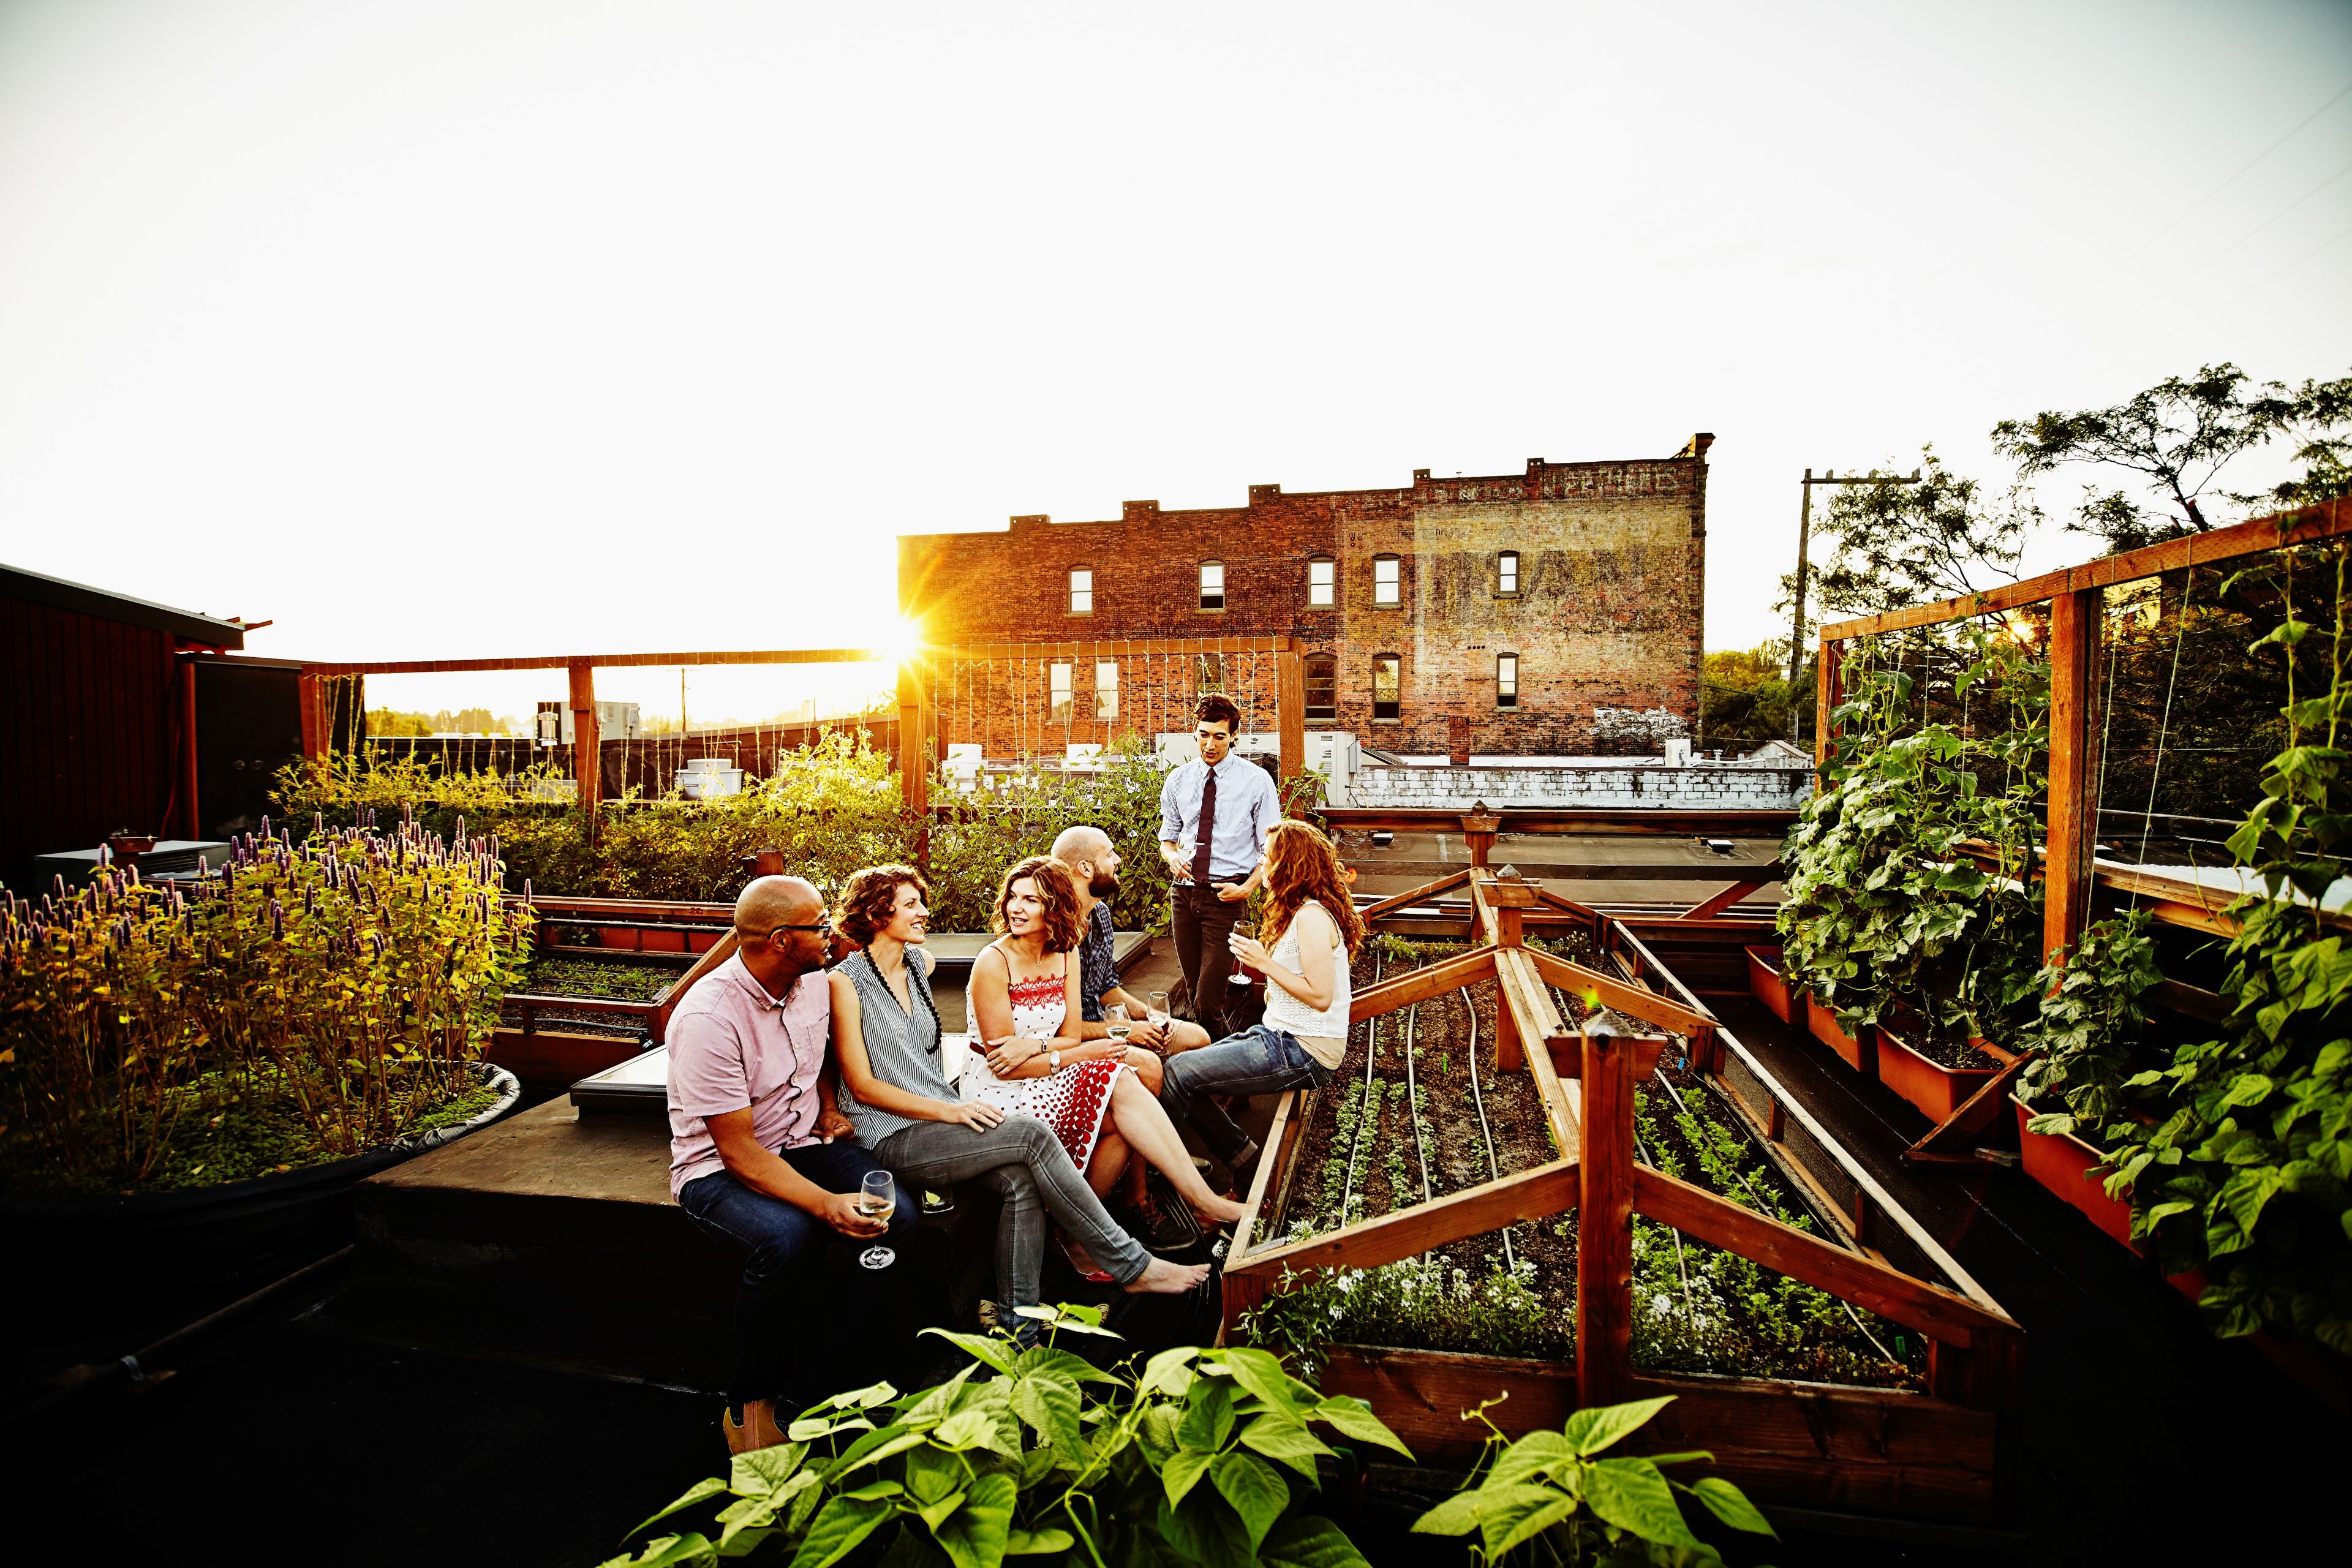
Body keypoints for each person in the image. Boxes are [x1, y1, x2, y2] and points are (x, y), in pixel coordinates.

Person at [828, 863, 1211, 1333]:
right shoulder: (844, 984)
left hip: (941, 1116)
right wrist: (950, 1108)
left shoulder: (917, 965)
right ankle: (1132, 1266)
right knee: (1030, 1135)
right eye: (912, 906)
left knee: (1020, 1182)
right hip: (890, 1134)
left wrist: (959, 1101)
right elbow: (862, 1084)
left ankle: (1018, 1328)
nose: (925, 913)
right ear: (877, 914)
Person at [668, 875, 920, 1457]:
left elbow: (823, 1053)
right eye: (819, 924)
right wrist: (827, 1204)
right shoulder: (709, 1017)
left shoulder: (811, 984)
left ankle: (818, 1382)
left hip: (805, 1142)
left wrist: (830, 1107)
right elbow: (740, 1152)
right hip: (718, 1169)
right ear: (781, 940)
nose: (832, 931)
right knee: (787, 1239)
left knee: (899, 1217)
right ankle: (749, 1401)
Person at [963, 856, 1245, 1277]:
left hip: (1046, 1069)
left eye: (1031, 901)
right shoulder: (994, 962)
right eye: (1013, 898)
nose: (1016, 909)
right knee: (1121, 1083)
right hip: (998, 1091)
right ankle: (1193, 1202)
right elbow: (1007, 1067)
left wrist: (1039, 1046)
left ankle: (1082, 1231)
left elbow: (1069, 1036)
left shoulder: (1065, 953)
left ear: (1055, 908)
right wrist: (1065, 1054)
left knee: (1124, 1103)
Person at [1157, 821, 1363, 1187]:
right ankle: (1243, 1158)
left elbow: (1320, 995)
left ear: (1290, 865)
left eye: (1267, 856)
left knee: (1177, 1073)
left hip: (1302, 1051)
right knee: (1183, 1070)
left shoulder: (1312, 918)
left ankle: (1163, 1173)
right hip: (1279, 1035)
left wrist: (1264, 964)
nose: (1261, 862)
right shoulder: (1298, 911)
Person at [1158, 693, 1283, 1039]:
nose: (1210, 744)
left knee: (1207, 1001)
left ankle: (1221, 1072)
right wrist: (1172, 858)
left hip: (1225, 898)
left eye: (1219, 736)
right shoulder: (1179, 780)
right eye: (1203, 734)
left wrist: (1246, 888)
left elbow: (1272, 847)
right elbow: (1168, 837)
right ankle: (1218, 1067)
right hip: (1183, 897)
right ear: (1194, 733)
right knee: (1196, 992)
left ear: (1234, 737)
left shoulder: (1256, 781)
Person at [1049, 824, 1212, 1057]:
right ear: (1085, 869)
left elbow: (1106, 989)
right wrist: (1127, 1030)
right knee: (1148, 1064)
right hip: (1071, 1045)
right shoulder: (1051, 929)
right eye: (1109, 854)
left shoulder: (1101, 914)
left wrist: (1152, 1017)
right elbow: (1055, 1027)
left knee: (1196, 1037)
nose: (1117, 860)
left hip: (1105, 1027)